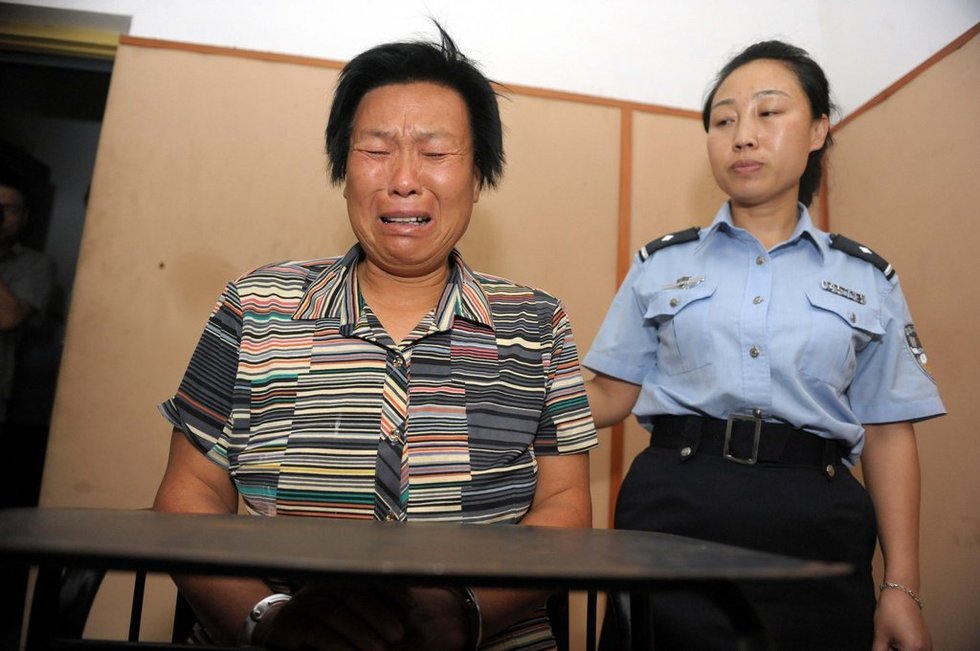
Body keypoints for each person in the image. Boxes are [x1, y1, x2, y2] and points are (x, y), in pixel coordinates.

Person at [153, 25, 597, 651]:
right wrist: (267, 619)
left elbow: (565, 508)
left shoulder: (536, 323)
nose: (404, 179)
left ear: (478, 178)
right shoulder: (255, 305)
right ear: (344, 169)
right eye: (376, 149)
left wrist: (464, 614)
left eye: (435, 152)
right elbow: (189, 493)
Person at [584, 40, 943, 651]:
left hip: (817, 524)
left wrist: (901, 587)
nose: (743, 136)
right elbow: (609, 395)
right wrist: (514, 384)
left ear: (818, 129)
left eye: (768, 113)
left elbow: (887, 433)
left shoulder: (867, 277)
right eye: (723, 121)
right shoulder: (660, 263)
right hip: (673, 511)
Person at [0, 173, 56, 429]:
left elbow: (8, 318)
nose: (0, 215)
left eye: (9, 209)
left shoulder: (36, 265)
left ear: (24, 217)